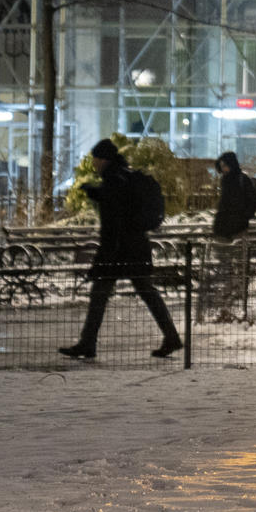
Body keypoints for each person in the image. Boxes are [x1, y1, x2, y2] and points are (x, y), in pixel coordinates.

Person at [59, 139, 183, 360]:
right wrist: (97, 193)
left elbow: (115, 213)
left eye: (95, 158)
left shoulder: (114, 179)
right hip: (135, 247)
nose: (94, 162)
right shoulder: (122, 176)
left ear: (103, 159)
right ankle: (171, 337)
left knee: (100, 295)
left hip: (118, 249)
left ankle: (88, 343)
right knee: (147, 293)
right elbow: (121, 203)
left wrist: (106, 252)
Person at [206, 151, 256, 318]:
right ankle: (230, 294)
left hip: (236, 229)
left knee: (235, 264)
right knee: (226, 265)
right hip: (226, 229)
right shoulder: (227, 181)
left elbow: (251, 203)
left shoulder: (241, 180)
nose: (224, 169)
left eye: (225, 165)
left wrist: (242, 217)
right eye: (222, 167)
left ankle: (234, 294)